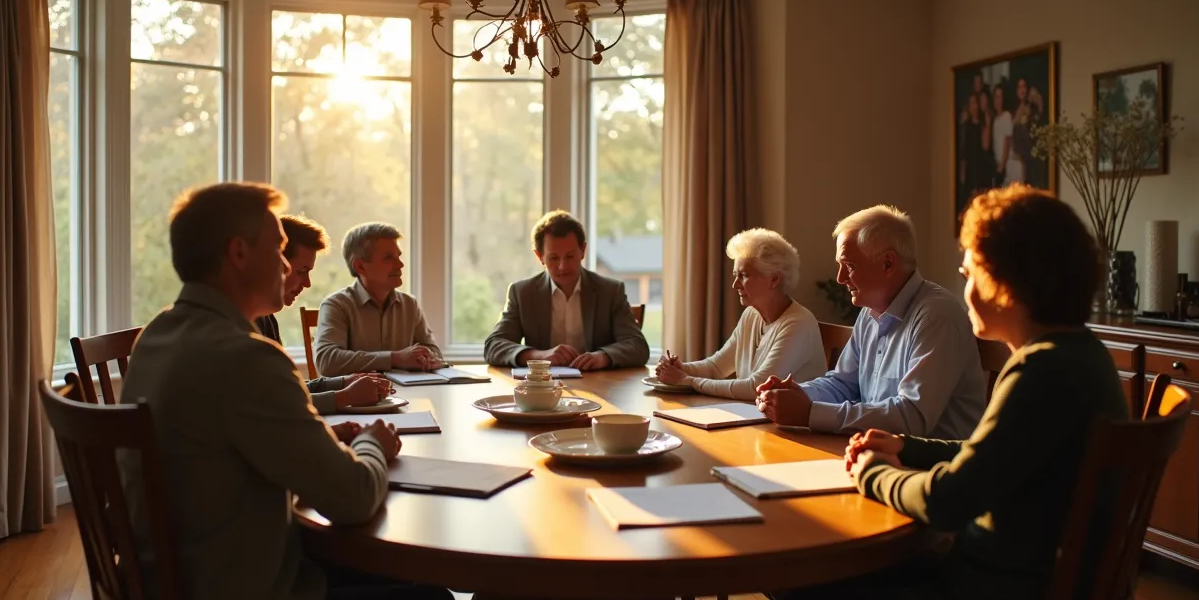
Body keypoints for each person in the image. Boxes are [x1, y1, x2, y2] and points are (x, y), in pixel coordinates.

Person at [771, 184, 1129, 600]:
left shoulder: (1040, 373)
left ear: (1007, 280)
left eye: (971, 271)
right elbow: (988, 455)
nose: (963, 281)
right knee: (802, 585)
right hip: (1015, 580)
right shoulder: (1082, 355)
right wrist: (907, 448)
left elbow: (949, 500)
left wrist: (875, 474)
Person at [118, 183, 455, 600]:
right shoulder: (247, 357)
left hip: (170, 586)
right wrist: (373, 443)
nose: (286, 265)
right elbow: (352, 499)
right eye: (278, 249)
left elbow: (222, 447)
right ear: (239, 254)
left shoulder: (156, 336)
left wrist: (322, 437)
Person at [755, 205, 986, 439]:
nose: (840, 278)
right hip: (879, 453)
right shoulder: (870, 312)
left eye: (850, 266)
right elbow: (843, 384)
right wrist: (796, 396)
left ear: (888, 263)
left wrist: (809, 412)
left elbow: (913, 418)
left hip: (931, 467)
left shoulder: (937, 316)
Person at [653, 228, 825, 400]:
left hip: (789, 424)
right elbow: (716, 367)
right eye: (736, 275)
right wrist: (681, 369)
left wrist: (687, 381)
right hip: (756, 417)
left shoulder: (798, 324)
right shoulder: (751, 315)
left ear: (774, 279)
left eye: (743, 275)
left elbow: (756, 387)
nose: (735, 285)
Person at [253, 214, 395, 413]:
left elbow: (286, 392)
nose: (307, 283)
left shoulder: (266, 318)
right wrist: (344, 396)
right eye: (302, 271)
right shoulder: (241, 326)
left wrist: (344, 382)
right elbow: (269, 406)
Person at [483, 210, 650, 369]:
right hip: (542, 389)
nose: (562, 266)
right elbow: (493, 346)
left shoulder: (611, 291)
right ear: (540, 256)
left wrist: (603, 357)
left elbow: (638, 347)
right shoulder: (522, 293)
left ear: (583, 251)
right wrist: (540, 356)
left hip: (600, 388)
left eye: (570, 256)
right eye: (554, 258)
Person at [314, 222, 443, 376]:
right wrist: (395, 358)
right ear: (360, 267)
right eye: (388, 258)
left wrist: (425, 357)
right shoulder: (336, 305)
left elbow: (435, 353)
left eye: (398, 256)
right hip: (356, 399)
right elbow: (327, 361)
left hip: (410, 396)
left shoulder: (410, 305)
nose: (400, 264)